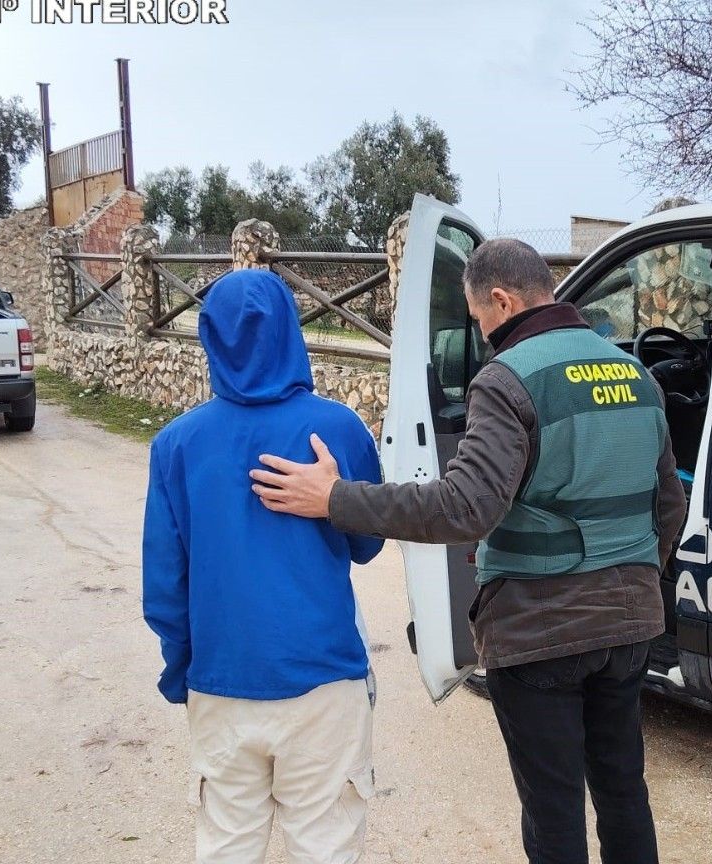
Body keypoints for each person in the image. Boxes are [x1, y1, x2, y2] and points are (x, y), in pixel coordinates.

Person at [249, 238, 687, 864]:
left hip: (541, 635)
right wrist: (634, 577)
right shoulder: (636, 375)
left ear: (503, 300)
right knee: (622, 790)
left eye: (480, 318)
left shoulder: (507, 380)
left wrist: (337, 499)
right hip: (628, 629)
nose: (482, 333)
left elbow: (464, 507)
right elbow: (668, 504)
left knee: (554, 808)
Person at [142, 269, 384, 864]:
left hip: (221, 682)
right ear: (291, 331)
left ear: (209, 339)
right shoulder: (338, 428)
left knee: (226, 847)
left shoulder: (176, 444)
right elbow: (369, 545)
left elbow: (165, 590)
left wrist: (185, 669)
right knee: (325, 847)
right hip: (323, 682)